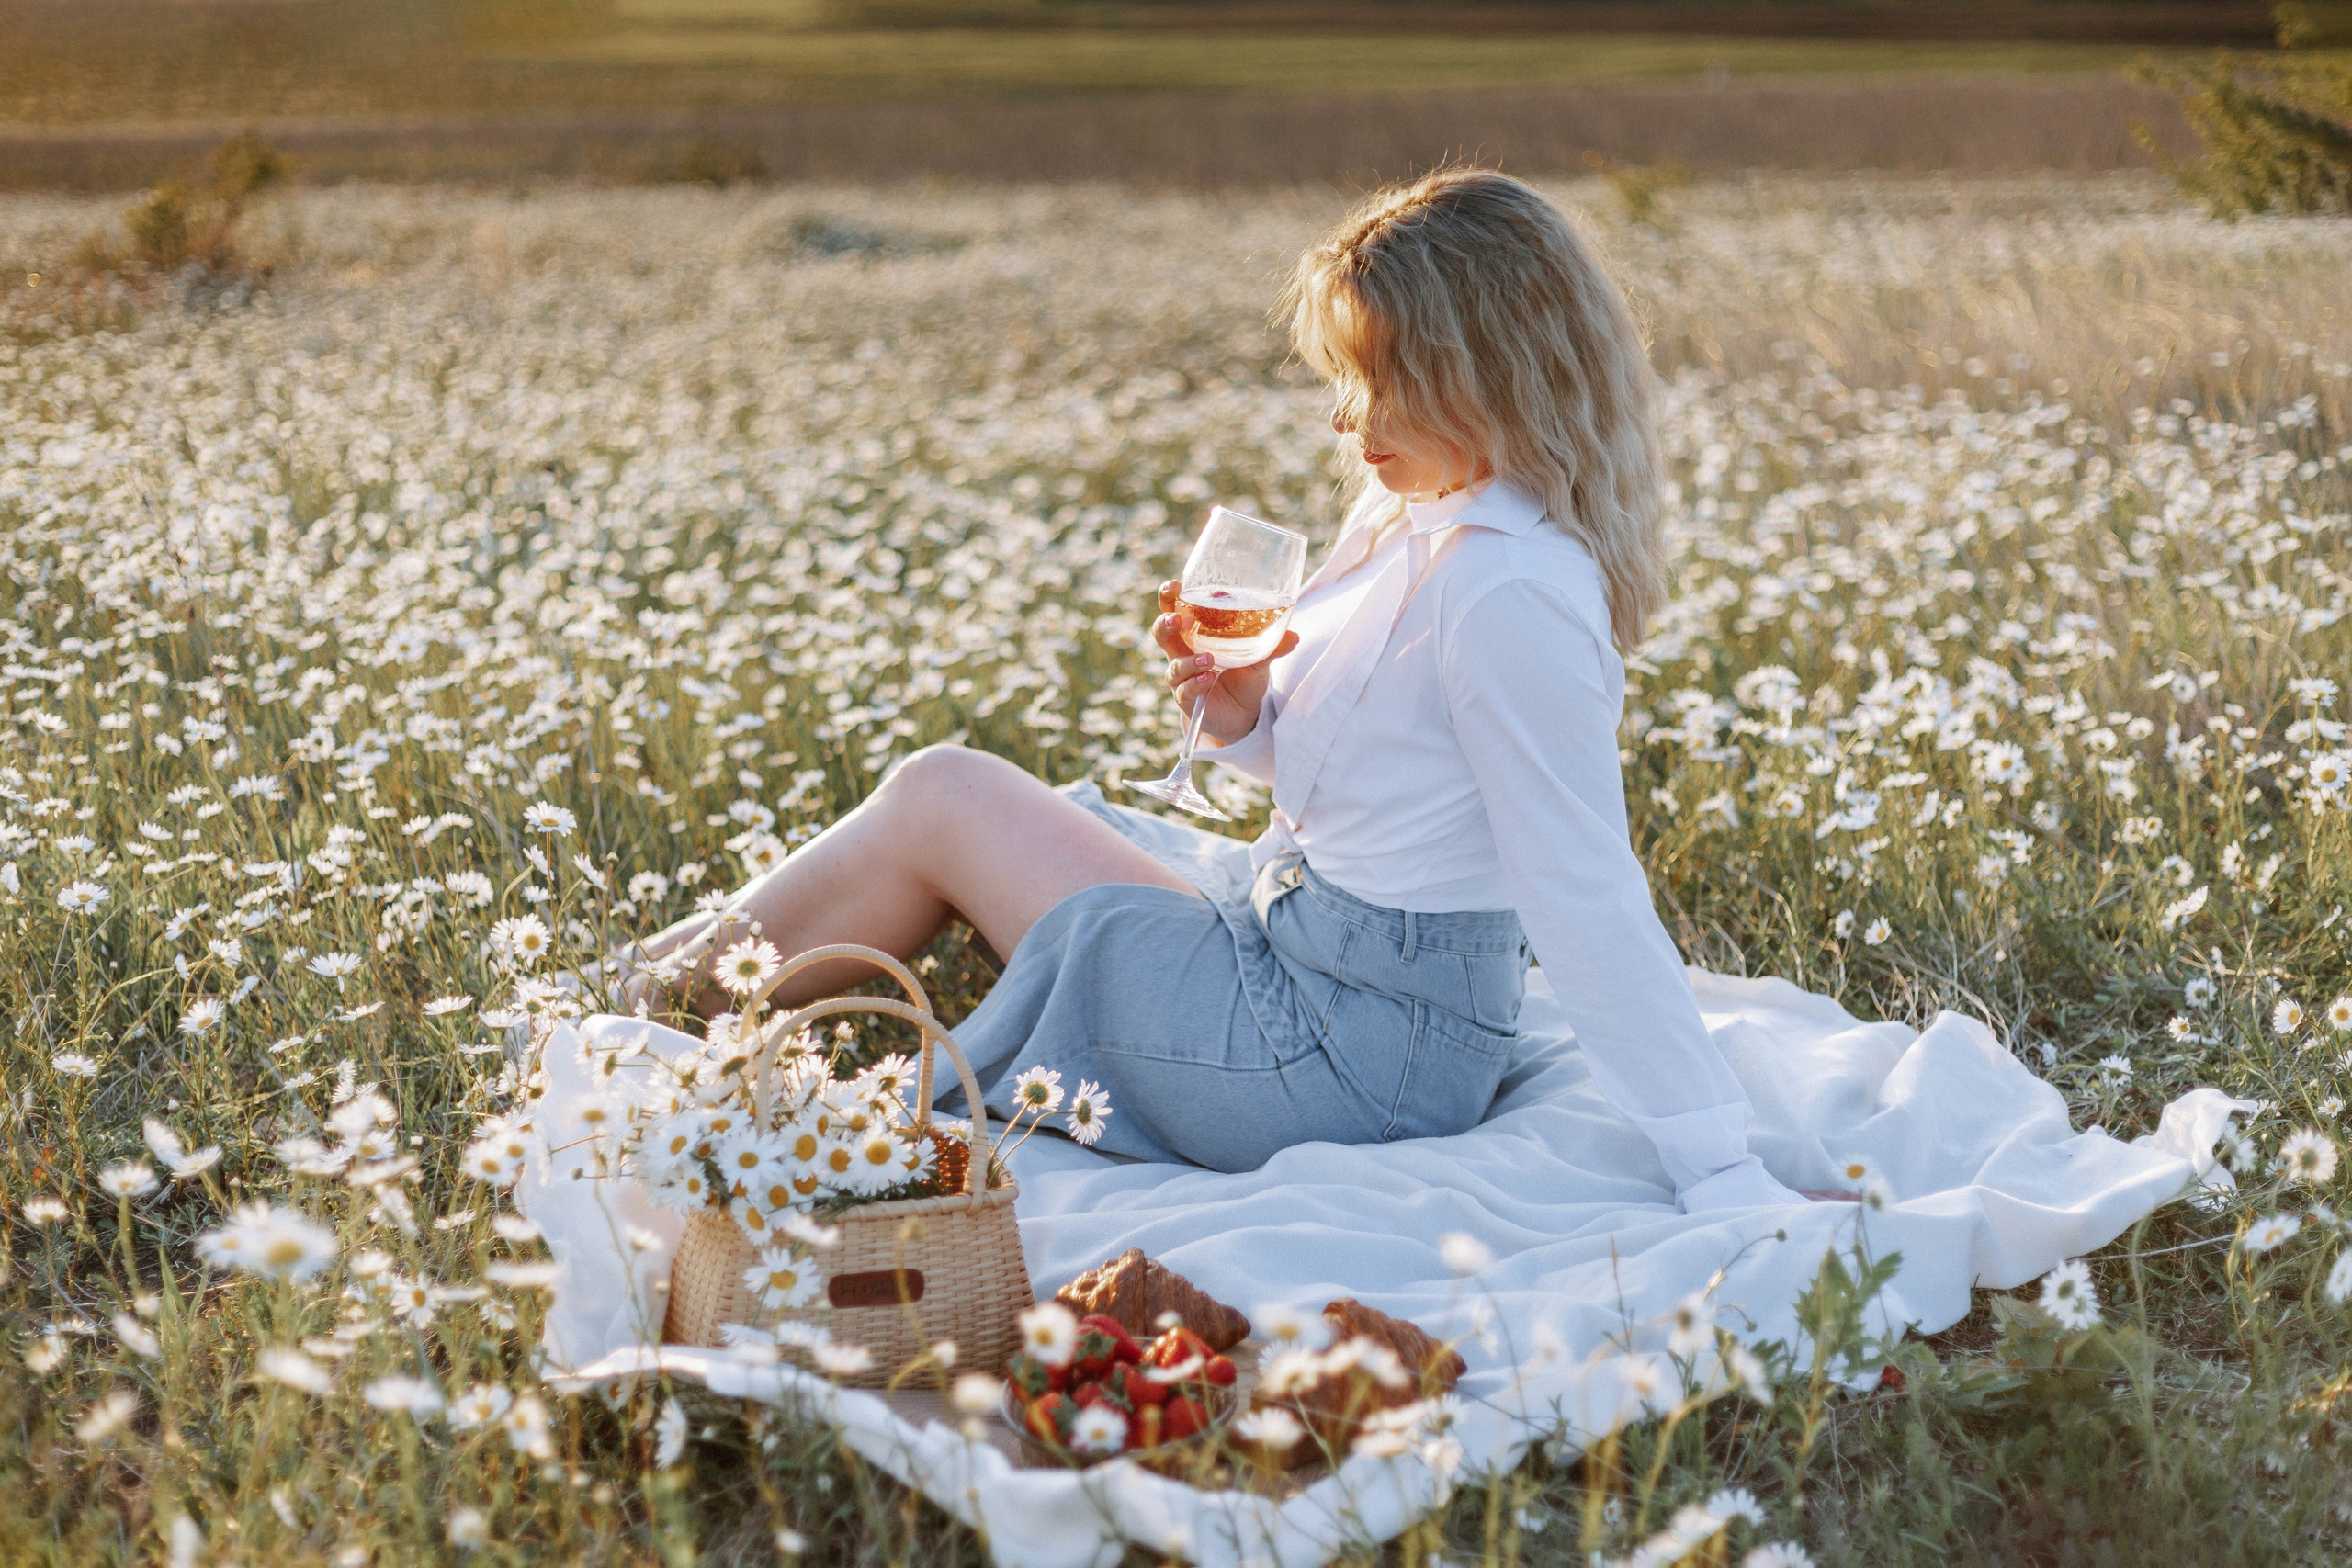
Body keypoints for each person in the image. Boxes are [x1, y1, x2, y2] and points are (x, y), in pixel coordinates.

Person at [617, 167, 1823, 1212]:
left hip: (1352, 1054)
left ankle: (628, 1013)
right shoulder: (1414, 510)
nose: (1348, 421)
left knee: (951, 802)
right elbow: (1379, 782)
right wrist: (1246, 716)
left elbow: (1583, 887)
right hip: (1294, 942)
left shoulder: (1509, 589)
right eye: (1346, 377)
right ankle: (634, 991)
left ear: (1492, 373)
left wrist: (1717, 1165)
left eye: (1381, 380)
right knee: (974, 796)